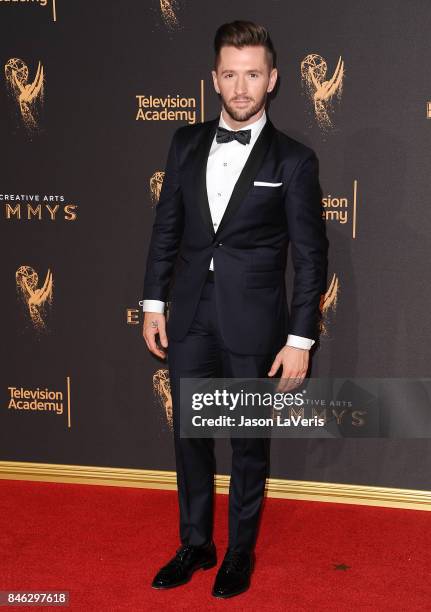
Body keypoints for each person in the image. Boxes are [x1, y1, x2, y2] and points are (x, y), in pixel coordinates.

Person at [142, 20, 328, 599]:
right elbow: (166, 227)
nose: (240, 86)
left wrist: (300, 340)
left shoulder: (294, 160)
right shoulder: (185, 142)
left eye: (252, 74)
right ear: (214, 78)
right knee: (190, 435)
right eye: (230, 74)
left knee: (247, 441)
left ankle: (239, 551)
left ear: (272, 80)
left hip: (254, 323)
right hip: (190, 313)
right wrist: (153, 303)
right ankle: (196, 543)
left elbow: (311, 256)